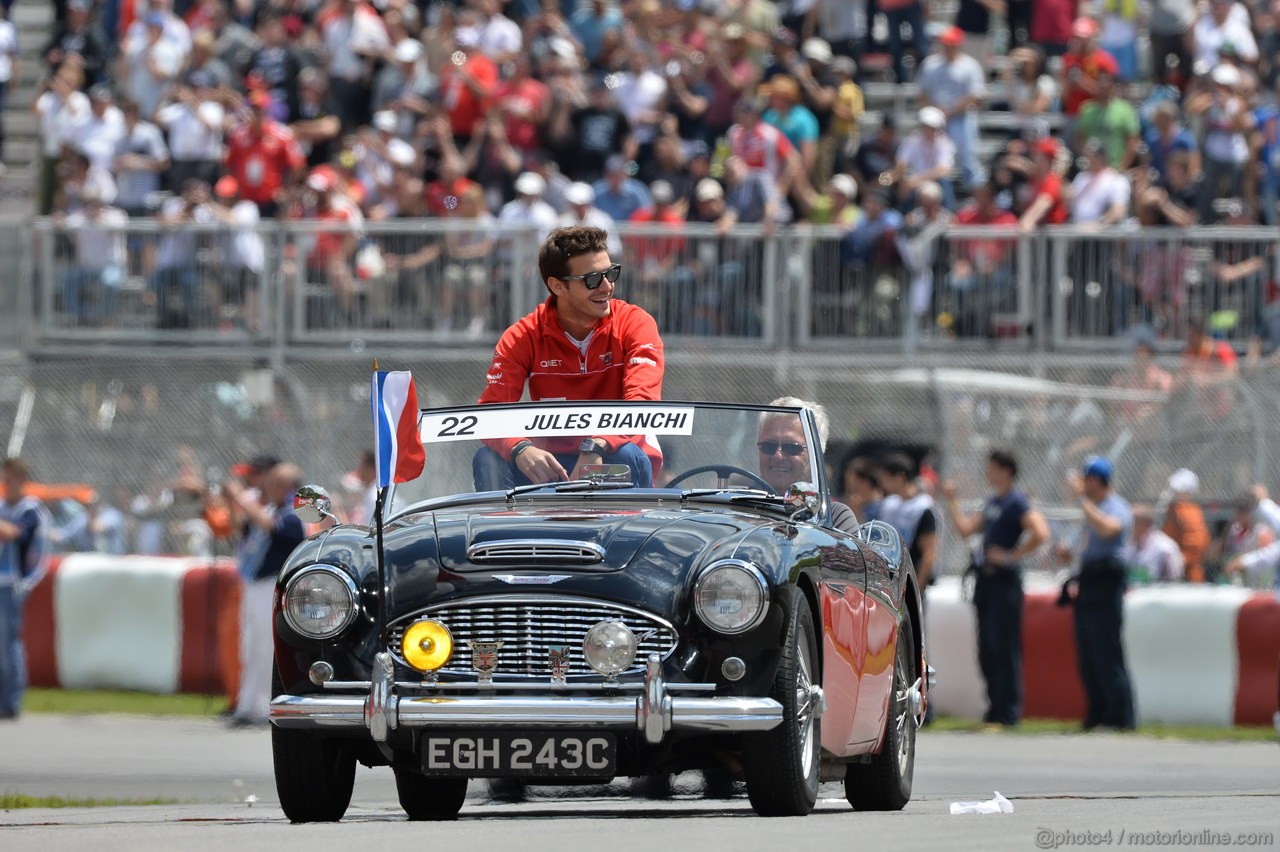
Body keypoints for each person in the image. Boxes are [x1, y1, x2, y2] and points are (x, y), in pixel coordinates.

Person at [473, 225, 664, 490]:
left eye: (611, 273)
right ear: (557, 286)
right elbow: (491, 411)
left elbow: (641, 401)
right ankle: (505, 532)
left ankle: (622, 531)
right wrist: (520, 447)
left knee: (626, 455)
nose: (607, 287)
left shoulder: (635, 323)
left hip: (613, 450)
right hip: (552, 464)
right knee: (489, 459)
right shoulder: (522, 335)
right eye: (593, 279)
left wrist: (595, 444)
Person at [941, 449, 1050, 728]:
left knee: (1004, 647)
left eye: (992, 468)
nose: (987, 473)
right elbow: (966, 530)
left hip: (1004, 582)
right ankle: (994, 708)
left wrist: (1012, 555)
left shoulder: (1016, 501)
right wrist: (953, 501)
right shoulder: (992, 502)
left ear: (1006, 471)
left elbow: (1040, 532)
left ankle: (1008, 711)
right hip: (986, 581)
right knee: (987, 647)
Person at [222, 462, 309, 727]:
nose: (268, 488)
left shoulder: (295, 512)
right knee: (249, 646)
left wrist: (240, 497)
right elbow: (240, 528)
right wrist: (231, 503)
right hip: (254, 583)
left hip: (274, 585)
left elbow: (273, 527)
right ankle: (247, 704)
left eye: (276, 483)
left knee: (266, 648)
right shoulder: (268, 508)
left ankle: (264, 706)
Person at [1057, 456, 1136, 731]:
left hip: (1107, 582)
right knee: (1088, 652)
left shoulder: (1115, 507)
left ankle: (1120, 715)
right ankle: (1097, 712)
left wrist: (1083, 501)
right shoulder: (1093, 509)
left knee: (1107, 651)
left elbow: (1109, 529)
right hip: (1089, 580)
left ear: (1095, 480)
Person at [757, 397, 858, 534]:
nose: (778, 456)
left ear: (816, 455)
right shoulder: (733, 504)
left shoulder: (833, 517)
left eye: (792, 448)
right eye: (768, 446)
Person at [0, 457, 48, 720]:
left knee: (8, 644)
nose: (5, 484)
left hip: (13, 583)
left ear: (21, 480)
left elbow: (15, 534)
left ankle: (10, 701)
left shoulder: (29, 510)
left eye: (9, 479)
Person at [876, 452, 938, 589]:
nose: (882, 484)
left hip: (910, 580)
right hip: (889, 582)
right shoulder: (888, 505)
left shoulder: (922, 508)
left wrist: (917, 589)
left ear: (900, 477)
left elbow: (929, 553)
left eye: (886, 478)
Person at [1160, 468, 1209, 583]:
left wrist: (1182, 559)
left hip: (1186, 575)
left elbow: (1197, 542)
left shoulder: (1188, 511)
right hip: (1170, 571)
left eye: (1176, 490)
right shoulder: (1173, 509)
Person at [1127, 503, 1184, 584]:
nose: (1128, 524)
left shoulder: (1165, 547)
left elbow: (1175, 577)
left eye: (1133, 521)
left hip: (1157, 594)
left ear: (1146, 523)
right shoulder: (1127, 544)